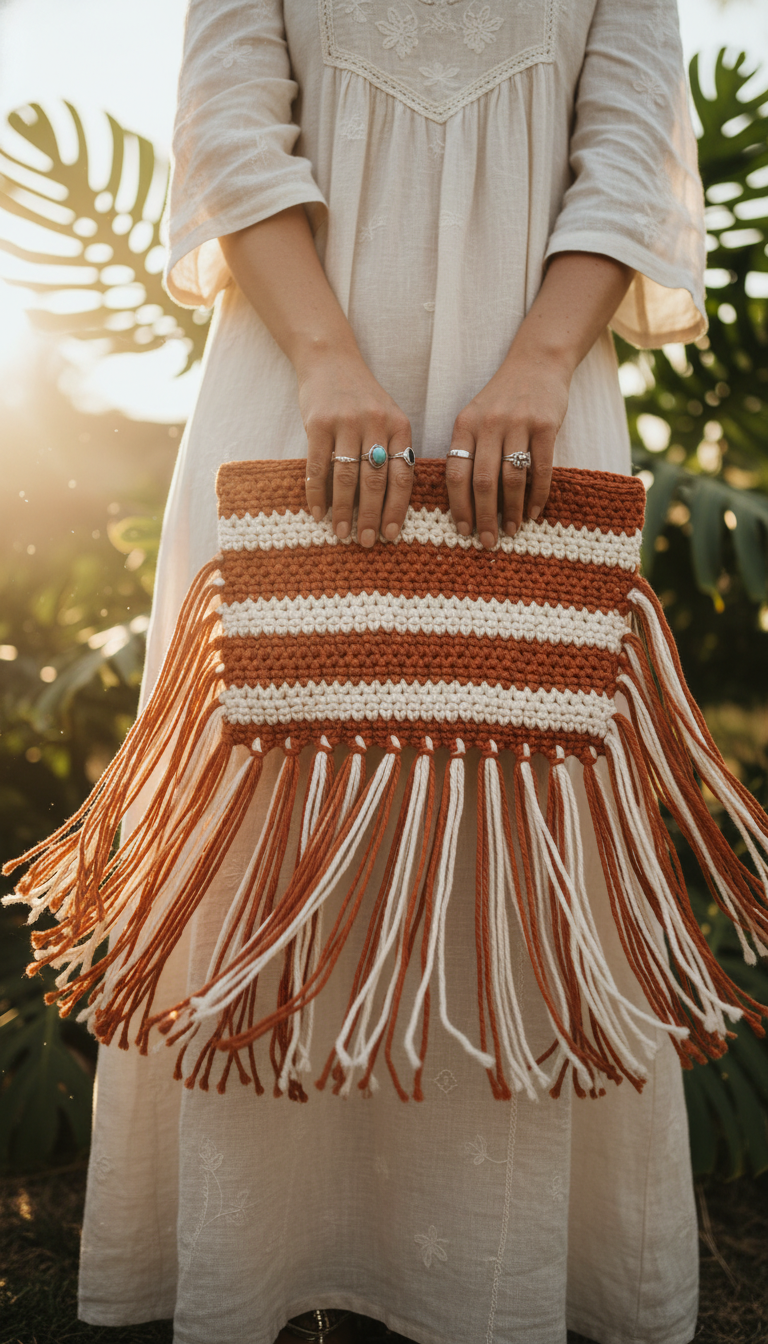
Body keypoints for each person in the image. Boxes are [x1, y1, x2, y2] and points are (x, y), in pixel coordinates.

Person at [77, 2, 707, 1342]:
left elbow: (631, 134)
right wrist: (324, 358)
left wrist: (541, 358)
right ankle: (273, 1258)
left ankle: (483, 1273)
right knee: (270, 817)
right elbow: (232, 128)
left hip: (533, 403)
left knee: (516, 797)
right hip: (294, 398)